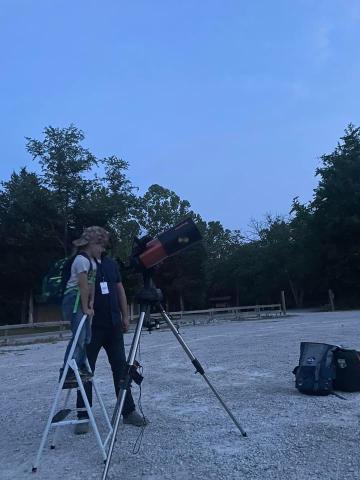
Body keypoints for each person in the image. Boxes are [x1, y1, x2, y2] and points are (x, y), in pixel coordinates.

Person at [75, 250, 148, 433]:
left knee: (121, 368)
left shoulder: (111, 264)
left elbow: (119, 289)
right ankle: (83, 415)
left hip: (114, 325)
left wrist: (125, 316)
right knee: (86, 369)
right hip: (92, 326)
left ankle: (128, 411)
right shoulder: (83, 262)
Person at [60, 226, 109, 382]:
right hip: (74, 299)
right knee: (79, 336)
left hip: (84, 300)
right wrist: (86, 307)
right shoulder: (81, 260)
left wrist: (91, 302)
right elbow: (82, 286)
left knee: (87, 336)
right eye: (100, 246)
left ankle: (79, 365)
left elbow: (91, 284)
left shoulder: (93, 263)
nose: (102, 250)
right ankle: (68, 370)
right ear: (90, 245)